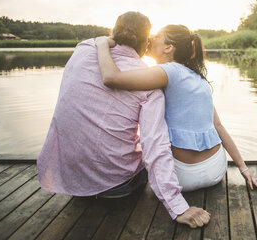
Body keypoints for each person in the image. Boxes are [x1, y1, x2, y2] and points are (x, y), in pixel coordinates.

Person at [37, 12, 210, 228]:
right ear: (146, 42)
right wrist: (178, 206)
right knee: (152, 150)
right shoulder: (150, 86)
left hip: (70, 179)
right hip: (117, 188)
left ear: (113, 33)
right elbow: (155, 145)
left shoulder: (84, 49)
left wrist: (103, 43)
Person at [95, 24, 257, 192]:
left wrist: (102, 44)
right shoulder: (200, 80)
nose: (150, 39)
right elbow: (218, 126)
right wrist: (243, 168)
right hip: (216, 169)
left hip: (180, 177)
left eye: (156, 37)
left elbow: (111, 78)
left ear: (168, 48)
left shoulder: (166, 71)